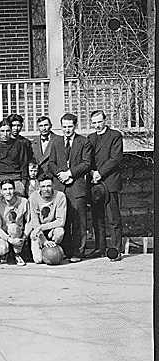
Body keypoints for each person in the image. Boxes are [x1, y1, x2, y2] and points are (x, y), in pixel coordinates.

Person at [48, 113, 92, 263]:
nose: (67, 130)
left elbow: (87, 163)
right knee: (63, 220)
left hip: (77, 186)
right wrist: (60, 174)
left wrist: (70, 173)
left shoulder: (84, 142)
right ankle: (65, 251)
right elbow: (51, 163)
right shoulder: (56, 142)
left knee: (78, 220)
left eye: (70, 126)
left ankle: (78, 252)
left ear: (75, 126)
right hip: (60, 186)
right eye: (64, 127)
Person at [88, 109, 124, 260]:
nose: (97, 125)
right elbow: (87, 159)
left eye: (99, 122)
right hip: (95, 183)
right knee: (97, 217)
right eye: (94, 123)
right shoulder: (90, 138)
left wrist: (99, 173)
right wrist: (91, 172)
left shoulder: (115, 135)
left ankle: (116, 250)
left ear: (105, 120)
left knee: (113, 218)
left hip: (110, 181)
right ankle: (100, 247)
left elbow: (115, 159)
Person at [25, 173, 67, 264]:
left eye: (48, 186)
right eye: (43, 186)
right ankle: (43, 247)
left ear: (53, 186)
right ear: (39, 187)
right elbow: (35, 223)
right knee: (38, 260)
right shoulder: (34, 197)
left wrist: (42, 227)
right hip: (37, 232)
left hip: (51, 230)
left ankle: (54, 249)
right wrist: (44, 241)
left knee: (60, 231)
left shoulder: (60, 196)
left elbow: (60, 221)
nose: (46, 189)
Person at [0, 119, 28, 196]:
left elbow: (24, 164)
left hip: (16, 180)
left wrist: (23, 182)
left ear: (11, 131)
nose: (5, 134)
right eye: (2, 131)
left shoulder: (20, 145)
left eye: (8, 131)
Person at [0, 179, 29, 266]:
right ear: (1, 191)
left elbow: (29, 222)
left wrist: (24, 237)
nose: (8, 192)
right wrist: (10, 240)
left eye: (10, 189)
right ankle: (6, 254)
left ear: (14, 189)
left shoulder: (23, 202)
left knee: (13, 227)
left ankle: (17, 254)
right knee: (1, 249)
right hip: (4, 236)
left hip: (17, 233)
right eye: (5, 189)